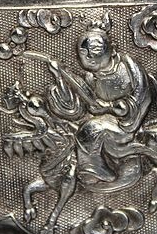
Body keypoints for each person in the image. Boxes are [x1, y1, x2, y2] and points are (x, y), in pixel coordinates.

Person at [48, 14, 151, 185]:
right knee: (86, 127)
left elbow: (143, 92)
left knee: (90, 129)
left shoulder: (127, 66)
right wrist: (59, 75)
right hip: (107, 119)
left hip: (129, 121)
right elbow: (87, 100)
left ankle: (95, 169)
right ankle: (94, 168)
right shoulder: (91, 77)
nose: (89, 56)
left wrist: (114, 108)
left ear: (113, 49)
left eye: (96, 49)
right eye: (84, 52)